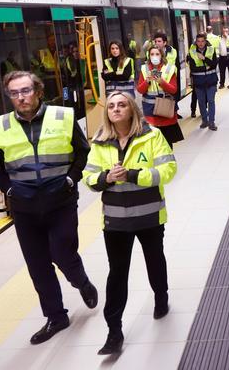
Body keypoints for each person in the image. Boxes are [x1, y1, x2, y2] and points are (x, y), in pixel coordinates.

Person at [0, 71, 98, 345]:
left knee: (61, 251)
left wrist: (71, 178)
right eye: (14, 93)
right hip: (24, 207)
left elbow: (82, 151)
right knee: (37, 264)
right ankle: (56, 317)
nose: (21, 97)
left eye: (25, 90)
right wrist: (8, 189)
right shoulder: (1, 125)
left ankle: (81, 281)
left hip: (60, 201)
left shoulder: (63, 116)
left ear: (37, 91)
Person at [83, 91, 177, 355]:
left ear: (132, 109)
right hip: (116, 221)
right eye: (111, 106)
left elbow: (168, 170)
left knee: (154, 260)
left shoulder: (152, 135)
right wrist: (107, 178)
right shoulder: (99, 142)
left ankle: (161, 297)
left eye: (121, 104)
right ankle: (114, 331)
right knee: (117, 273)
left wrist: (133, 175)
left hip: (149, 216)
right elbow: (88, 178)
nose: (115, 109)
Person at [136, 46, 184, 148]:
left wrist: (161, 82)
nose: (154, 57)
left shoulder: (169, 68)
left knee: (167, 144)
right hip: (150, 113)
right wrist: (147, 81)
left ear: (162, 55)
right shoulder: (144, 69)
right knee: (153, 145)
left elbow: (173, 90)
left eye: (157, 54)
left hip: (165, 112)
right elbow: (140, 90)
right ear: (149, 56)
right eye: (152, 54)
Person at [188, 33, 219, 130]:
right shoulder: (192, 52)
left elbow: (214, 65)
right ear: (196, 42)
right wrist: (206, 67)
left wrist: (204, 58)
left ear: (205, 41)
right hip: (198, 82)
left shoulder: (211, 49)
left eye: (202, 41)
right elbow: (193, 68)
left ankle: (211, 122)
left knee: (211, 101)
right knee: (201, 102)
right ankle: (204, 121)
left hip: (211, 81)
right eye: (198, 41)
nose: (200, 43)